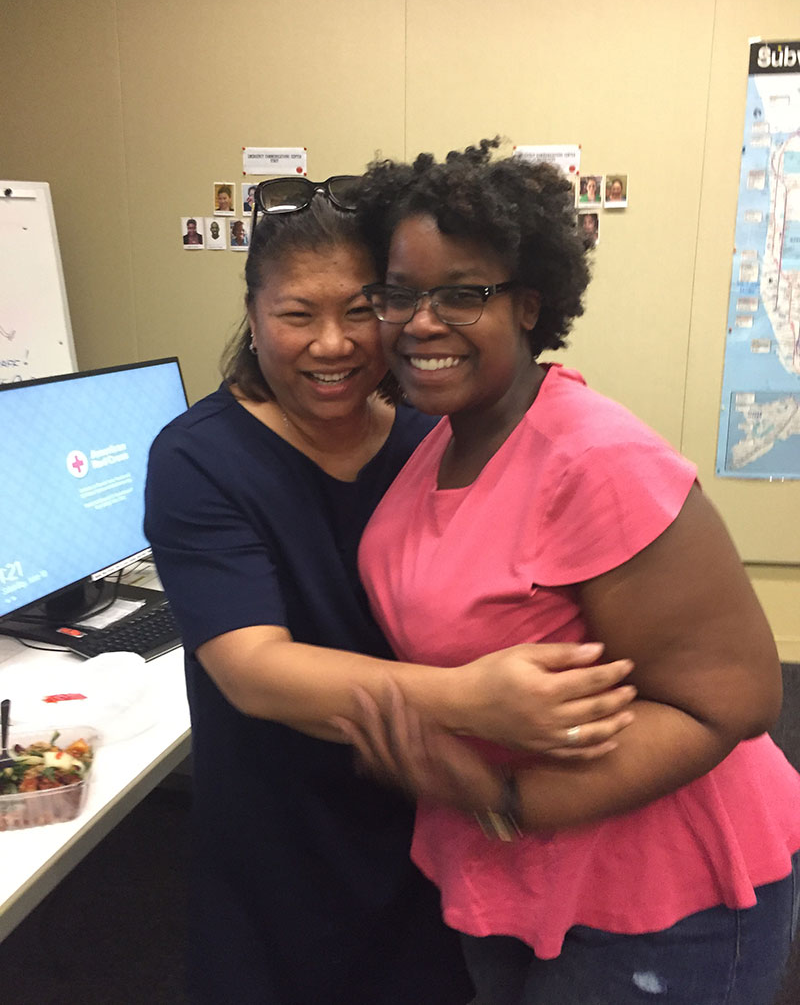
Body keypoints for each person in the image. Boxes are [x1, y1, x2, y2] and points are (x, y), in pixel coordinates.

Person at [144, 189, 637, 1005]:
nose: (332, 344)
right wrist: (476, 699)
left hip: (436, 812)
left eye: (363, 309)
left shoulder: (430, 434)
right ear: (253, 313)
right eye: (298, 314)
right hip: (282, 828)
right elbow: (256, 671)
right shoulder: (201, 459)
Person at [342, 139, 800, 1005]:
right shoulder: (441, 442)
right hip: (512, 859)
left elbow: (737, 698)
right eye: (400, 294)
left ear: (528, 305)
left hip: (662, 888)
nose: (421, 321)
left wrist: (505, 793)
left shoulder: (595, 461)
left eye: (462, 293)